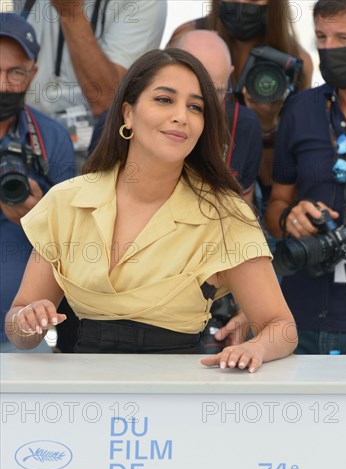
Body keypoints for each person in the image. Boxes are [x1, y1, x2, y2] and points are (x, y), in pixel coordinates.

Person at [5, 49, 297, 372]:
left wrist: (255, 347)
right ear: (127, 114)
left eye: (195, 107)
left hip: (177, 402)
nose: (181, 116)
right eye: (164, 99)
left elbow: (281, 327)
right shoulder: (65, 202)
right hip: (85, 399)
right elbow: (19, 329)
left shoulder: (225, 215)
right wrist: (26, 320)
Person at [87, 29, 264, 354]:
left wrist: (248, 304)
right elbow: (92, 219)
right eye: (170, 97)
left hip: (197, 321)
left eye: (213, 94)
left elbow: (244, 223)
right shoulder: (117, 124)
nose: (186, 114)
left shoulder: (245, 126)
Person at [265, 0, 346, 355]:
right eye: (321, 37)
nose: (329, 49)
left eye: (342, 37)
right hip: (300, 322)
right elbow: (274, 208)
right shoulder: (300, 109)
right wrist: (290, 218)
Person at [167, 0, 313, 207]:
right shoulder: (190, 39)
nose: (242, 4)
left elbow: (276, 182)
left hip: (251, 196)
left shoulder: (295, 63)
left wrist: (267, 125)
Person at [0, 12, 76, 352]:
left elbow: (77, 240)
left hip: (24, 336)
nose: (2, 84)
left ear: (32, 74)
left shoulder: (51, 139)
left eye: (14, 72)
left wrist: (39, 217)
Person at [12, 0, 167, 151]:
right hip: (19, 135)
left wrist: (71, 13)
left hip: (90, 152)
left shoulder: (146, 3)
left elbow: (108, 102)